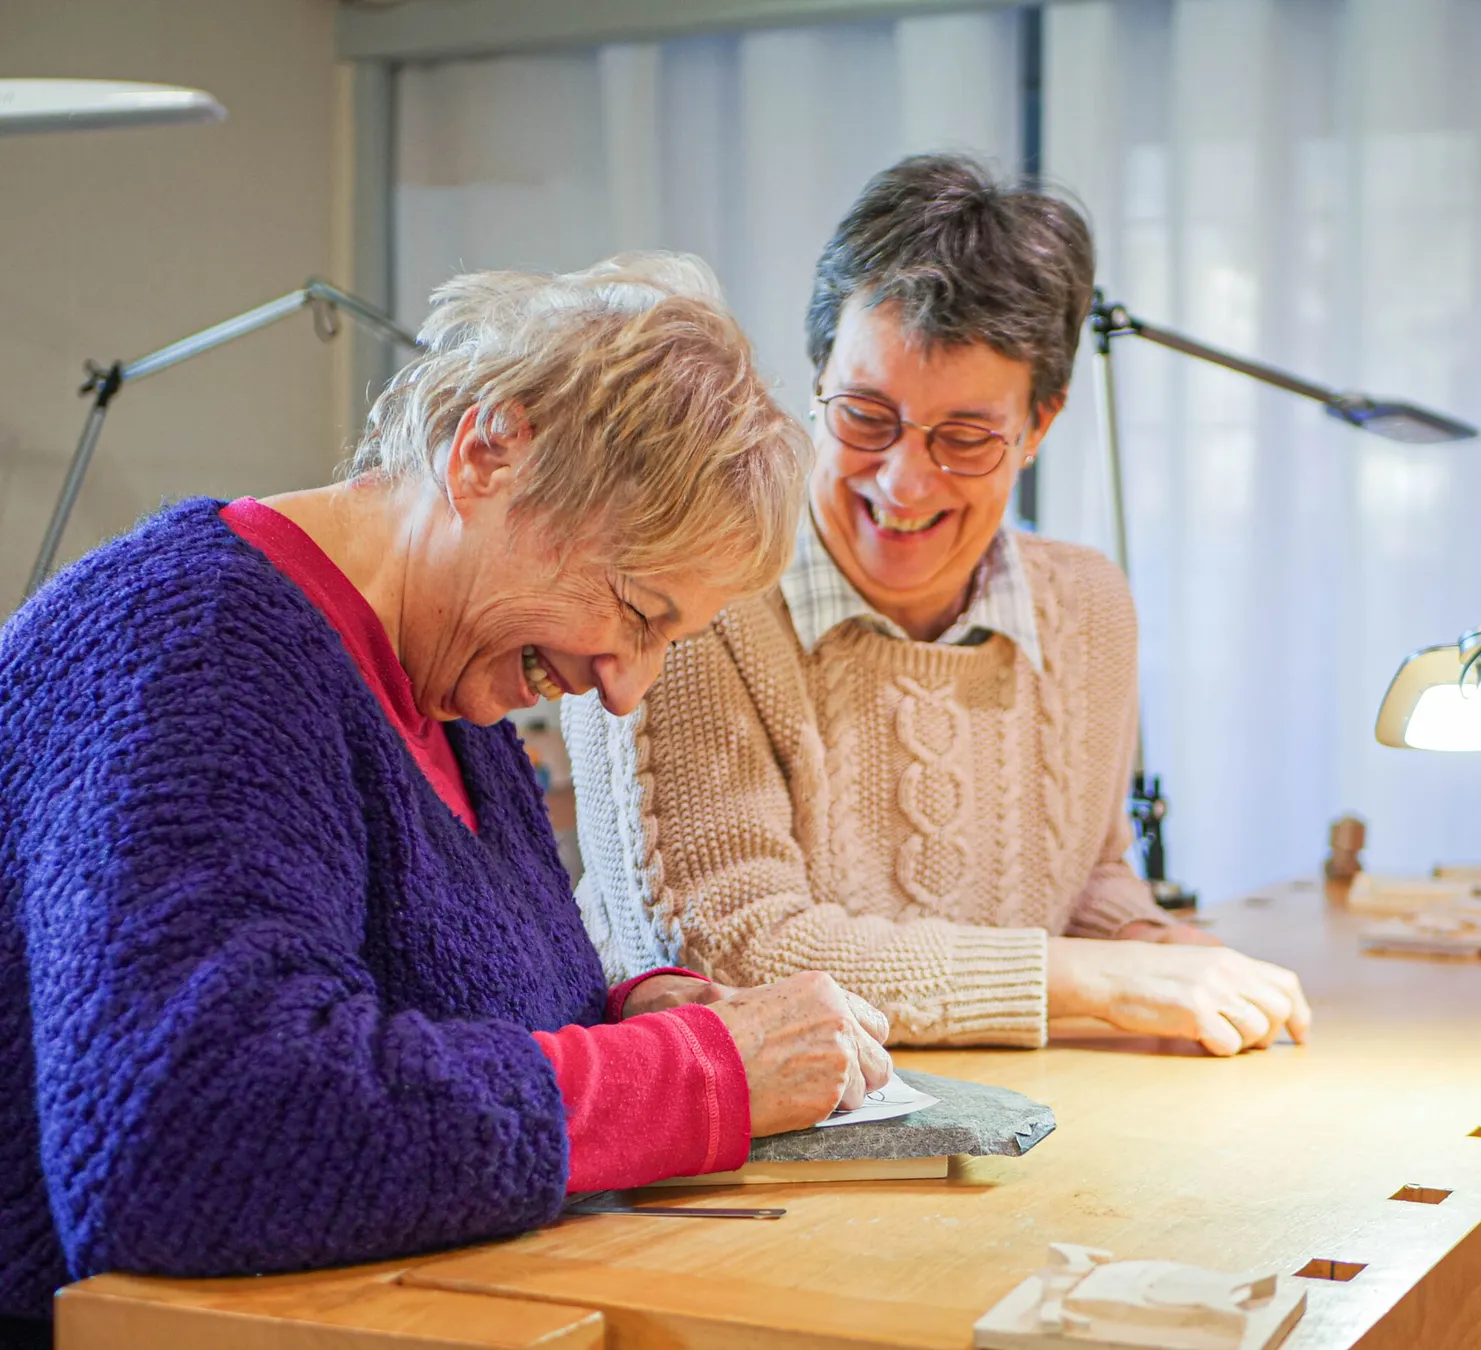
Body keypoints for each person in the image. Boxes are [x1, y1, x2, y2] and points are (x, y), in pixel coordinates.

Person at [0, 255, 891, 1338]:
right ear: (487, 455)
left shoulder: (452, 696)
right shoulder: (195, 646)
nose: (626, 687)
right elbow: (195, 1131)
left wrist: (628, 1013)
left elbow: (439, 1021)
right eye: (634, 611)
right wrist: (691, 1075)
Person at [564, 158, 1311, 1055]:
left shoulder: (1089, 606)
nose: (903, 482)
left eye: (965, 437)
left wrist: (1148, 942)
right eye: (866, 416)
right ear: (816, 376)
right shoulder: (687, 606)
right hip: (744, 1135)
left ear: (1039, 426)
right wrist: (1093, 980)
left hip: (1023, 1111)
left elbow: (1087, 873)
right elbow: (734, 949)